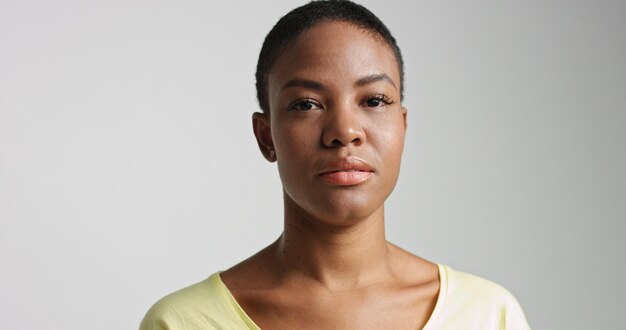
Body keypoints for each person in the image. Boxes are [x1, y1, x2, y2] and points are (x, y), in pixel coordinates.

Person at [140, 1, 530, 329]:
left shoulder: (488, 316)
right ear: (266, 136)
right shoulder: (182, 323)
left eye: (374, 100)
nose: (344, 131)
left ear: (403, 126)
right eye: (306, 104)